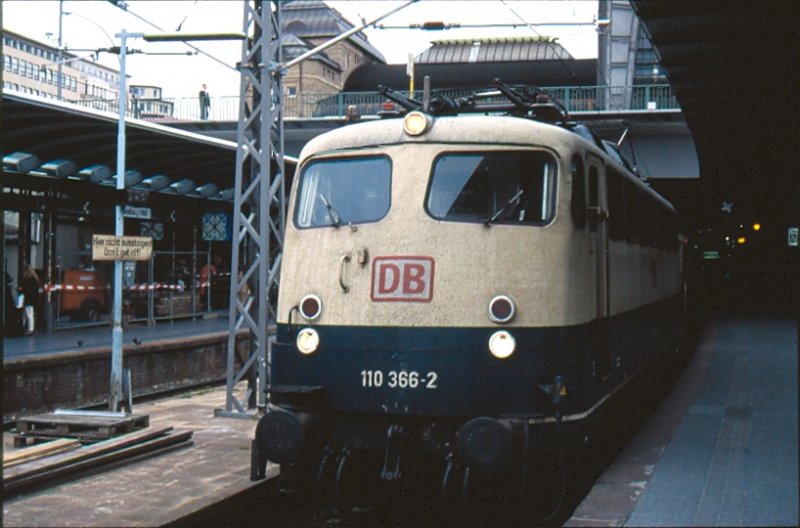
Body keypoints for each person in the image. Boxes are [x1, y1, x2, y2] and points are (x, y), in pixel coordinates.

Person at [18, 264, 40, 335]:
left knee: (28, 314)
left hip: (28, 299)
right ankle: (28, 328)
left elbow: (26, 289)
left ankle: (30, 329)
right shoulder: (34, 279)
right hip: (32, 299)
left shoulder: (28, 279)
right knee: (29, 314)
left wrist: (21, 289)